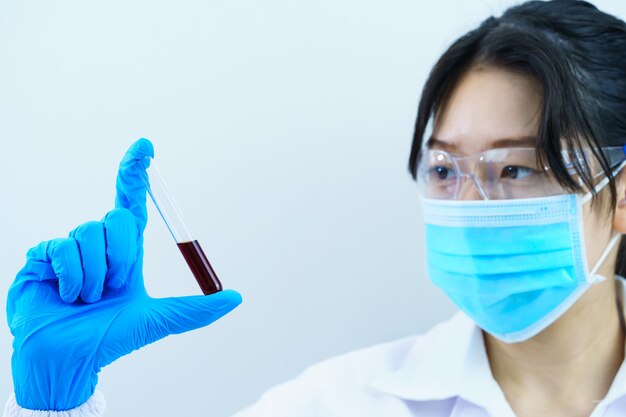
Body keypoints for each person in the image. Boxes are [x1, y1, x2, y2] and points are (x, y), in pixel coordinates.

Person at [5, 0, 626, 416]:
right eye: (442, 170)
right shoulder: (336, 404)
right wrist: (60, 406)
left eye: (513, 168)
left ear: (620, 196)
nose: (467, 206)